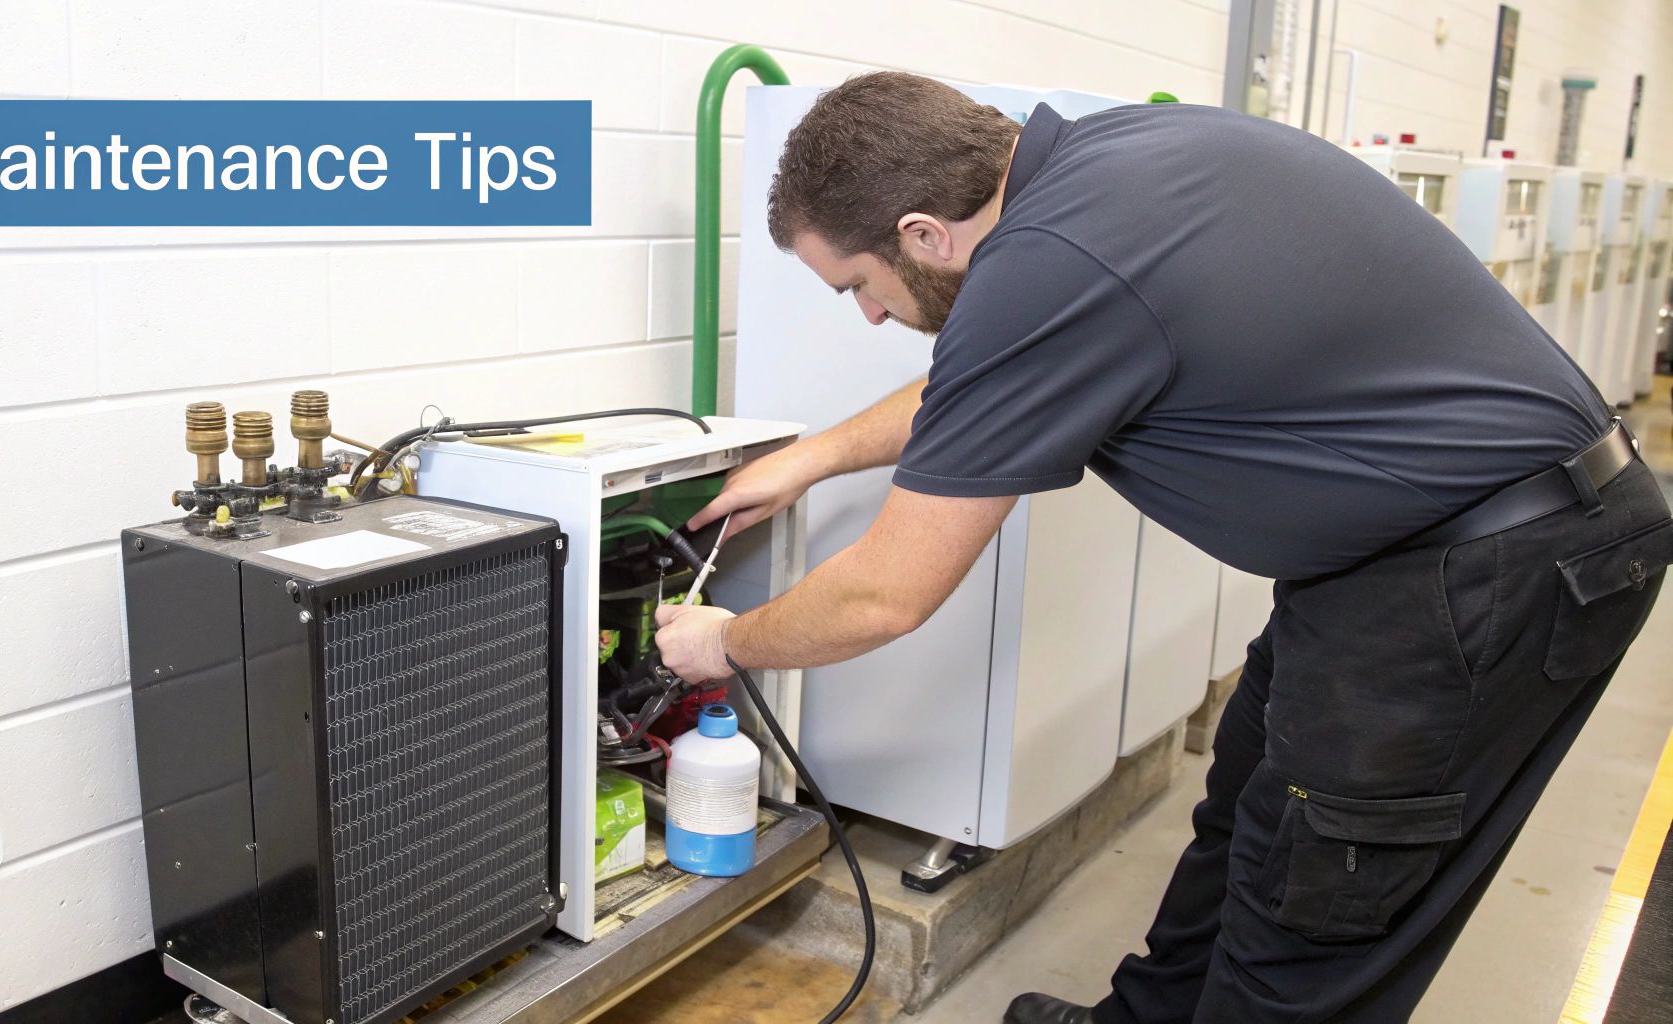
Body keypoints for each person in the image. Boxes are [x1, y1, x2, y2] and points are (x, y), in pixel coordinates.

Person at [653, 72, 1671, 1023]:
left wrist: (724, 641)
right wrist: (812, 458)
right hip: (1404, 556)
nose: (872, 314)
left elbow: (884, 594)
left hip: (1485, 570)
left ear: (923, 233)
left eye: (859, 285)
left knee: (1312, 913)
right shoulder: (1102, 167)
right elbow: (995, 377)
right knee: (1244, 822)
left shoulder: (1050, 261)